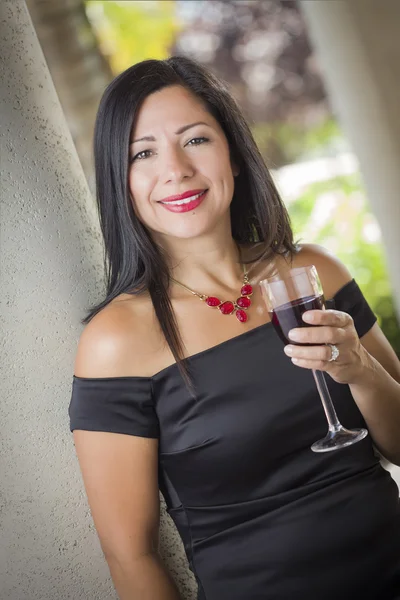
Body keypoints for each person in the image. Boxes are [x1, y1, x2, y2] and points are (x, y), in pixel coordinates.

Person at [69, 55, 400, 600]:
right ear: (120, 181)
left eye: (195, 139)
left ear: (234, 154)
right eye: (143, 153)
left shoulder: (312, 273)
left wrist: (360, 371)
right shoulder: (115, 342)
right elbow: (130, 556)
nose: (175, 169)